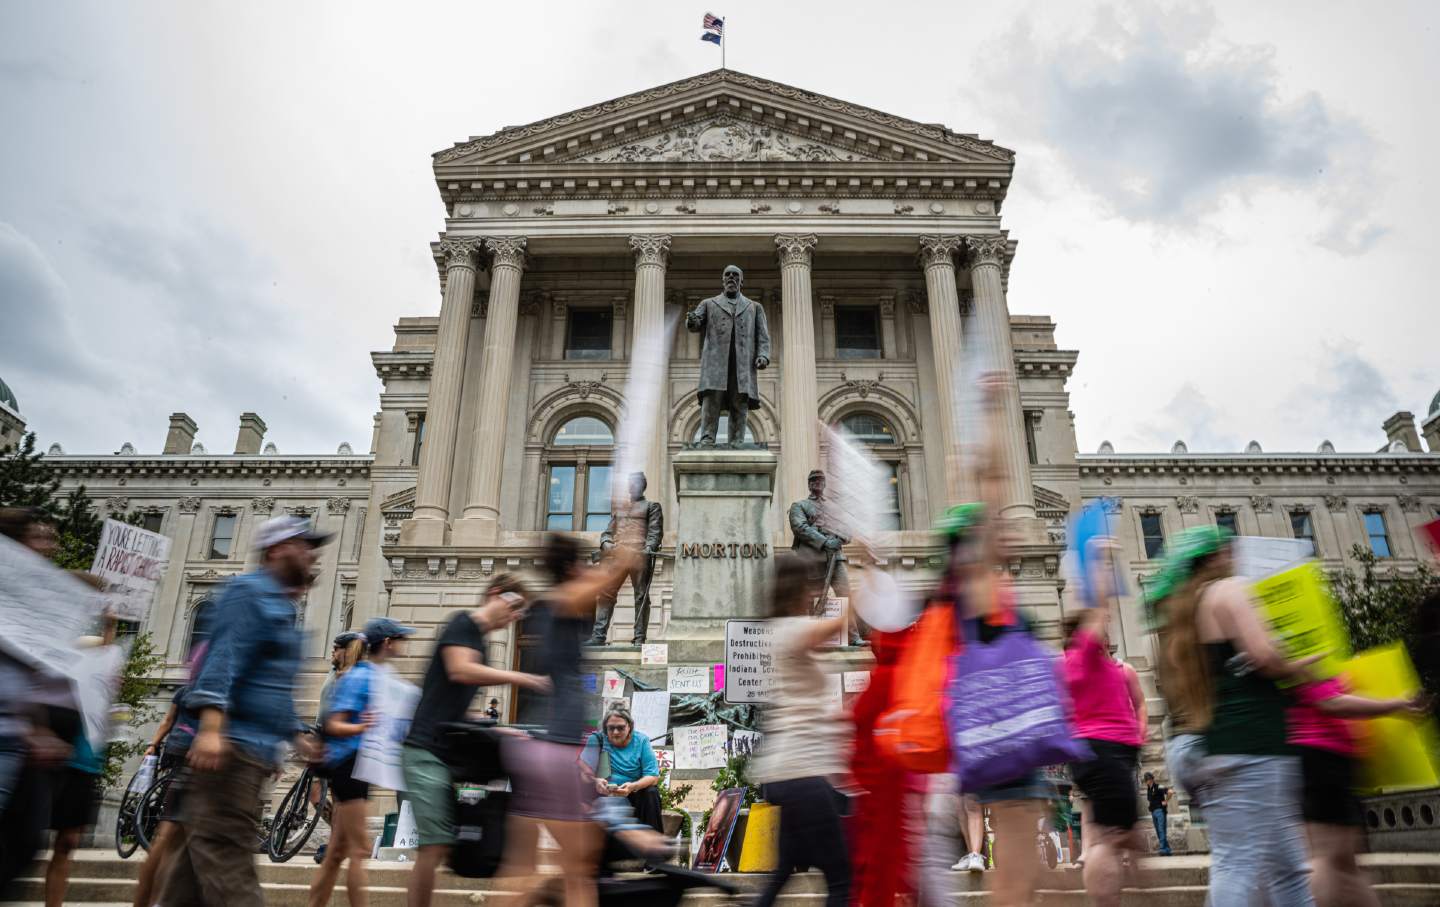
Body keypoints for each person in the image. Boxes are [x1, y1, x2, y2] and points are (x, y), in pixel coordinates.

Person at [159, 515, 331, 907]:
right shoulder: (248, 593)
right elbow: (223, 659)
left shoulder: (283, 608)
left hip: (249, 752)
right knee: (229, 865)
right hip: (229, 753)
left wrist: (293, 736)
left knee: (188, 880)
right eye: (303, 545)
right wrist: (211, 729)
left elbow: (271, 685)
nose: (312, 554)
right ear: (276, 551)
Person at [1149, 526, 1319, 907]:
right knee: (1240, 865)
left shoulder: (1184, 615)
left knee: (1284, 868)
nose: (1235, 555)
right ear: (1217, 556)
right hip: (1251, 744)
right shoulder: (1229, 590)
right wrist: (1301, 664)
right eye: (1229, 549)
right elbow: (1264, 655)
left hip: (1215, 746)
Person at [494, 533, 638, 907]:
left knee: (521, 869)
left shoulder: (545, 604)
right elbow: (614, 575)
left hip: (531, 746)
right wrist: (628, 540)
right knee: (580, 870)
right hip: (556, 748)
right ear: (574, 567)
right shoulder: (566, 600)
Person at [402, 574, 548, 907]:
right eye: (514, 607)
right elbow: (460, 670)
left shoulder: (479, 644)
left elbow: (453, 706)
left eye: (519, 613)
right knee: (435, 845)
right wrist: (521, 677)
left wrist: (494, 728)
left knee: (446, 844)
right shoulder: (462, 623)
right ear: (496, 593)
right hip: (425, 750)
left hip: (445, 753)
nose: (514, 617)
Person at [749, 553, 852, 907]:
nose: (813, 592)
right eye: (808, 584)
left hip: (788, 772)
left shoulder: (780, 629)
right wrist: (852, 587)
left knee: (781, 874)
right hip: (801, 770)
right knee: (841, 879)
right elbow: (835, 625)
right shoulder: (790, 628)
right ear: (796, 588)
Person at [0, 508, 81, 900]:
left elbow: (28, 670)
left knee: (25, 841)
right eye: (41, 537)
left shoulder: (30, 602)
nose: (51, 546)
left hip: (17, 737)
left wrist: (38, 728)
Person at [1289, 674, 1426, 906]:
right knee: (1327, 859)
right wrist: (1395, 705)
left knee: (1344, 863)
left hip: (1323, 758)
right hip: (1323, 758)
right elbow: (1331, 702)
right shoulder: (1306, 649)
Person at [308, 617, 414, 907]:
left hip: (359, 766)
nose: (405, 645)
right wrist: (362, 727)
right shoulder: (359, 677)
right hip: (348, 766)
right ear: (388, 643)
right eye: (401, 640)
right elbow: (334, 724)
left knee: (337, 852)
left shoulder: (380, 677)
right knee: (361, 849)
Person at [1062, 598, 1147, 907]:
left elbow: (1135, 703)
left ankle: (1125, 891)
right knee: (1109, 839)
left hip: (1106, 753)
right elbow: (1099, 607)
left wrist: (1137, 733)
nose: (1106, 631)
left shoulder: (1101, 665)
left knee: (1117, 834)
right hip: (1102, 752)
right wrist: (1100, 560)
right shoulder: (1081, 657)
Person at [45, 605, 116, 907]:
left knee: (68, 842)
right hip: (50, 756)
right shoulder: (59, 665)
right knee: (21, 838)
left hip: (84, 761)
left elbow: (108, 652)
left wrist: (112, 622)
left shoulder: (104, 675)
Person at [686, 263, 771, 448]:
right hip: (716, 363)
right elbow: (695, 324)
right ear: (723, 280)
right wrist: (692, 320)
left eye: (735, 275)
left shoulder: (754, 307)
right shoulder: (709, 304)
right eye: (727, 275)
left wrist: (763, 355)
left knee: (739, 401)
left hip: (742, 364)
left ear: (742, 281)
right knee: (712, 400)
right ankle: (707, 439)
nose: (731, 277)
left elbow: (763, 336)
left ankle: (737, 441)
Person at [589, 472, 663, 646]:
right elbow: (608, 532)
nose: (632, 487)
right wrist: (606, 542)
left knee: (641, 596)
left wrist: (648, 548)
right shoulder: (620, 510)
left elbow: (655, 532)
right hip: (617, 555)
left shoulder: (652, 506)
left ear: (642, 486)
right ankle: (598, 636)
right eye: (630, 483)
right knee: (606, 594)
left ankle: (639, 638)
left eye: (635, 483)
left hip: (639, 555)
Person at [788, 469, 860, 645]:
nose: (817, 483)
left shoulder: (835, 509)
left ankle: (853, 635)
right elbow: (800, 527)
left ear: (824, 484)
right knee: (811, 598)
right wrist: (825, 542)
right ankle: (808, 635)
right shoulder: (800, 505)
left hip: (836, 558)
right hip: (813, 558)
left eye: (820, 480)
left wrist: (838, 539)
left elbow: (847, 530)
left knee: (845, 595)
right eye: (813, 481)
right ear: (809, 484)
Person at [585, 705, 663, 832]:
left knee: (651, 792)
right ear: (605, 728)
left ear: (629, 727)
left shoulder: (641, 741)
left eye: (620, 728)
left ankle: (653, 843)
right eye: (611, 728)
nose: (615, 732)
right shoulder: (597, 739)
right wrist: (596, 781)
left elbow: (653, 776)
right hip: (603, 792)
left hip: (633, 792)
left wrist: (633, 786)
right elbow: (583, 773)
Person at [1142, 772, 1172, 856]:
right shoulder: (1149, 789)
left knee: (1161, 830)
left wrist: (1166, 801)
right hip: (1153, 812)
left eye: (1148, 779)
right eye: (1146, 780)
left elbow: (1170, 791)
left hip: (1160, 811)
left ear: (1152, 779)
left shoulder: (1159, 786)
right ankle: (1167, 850)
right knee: (1158, 831)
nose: (1147, 781)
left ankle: (1163, 849)